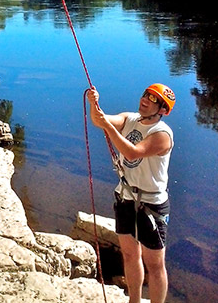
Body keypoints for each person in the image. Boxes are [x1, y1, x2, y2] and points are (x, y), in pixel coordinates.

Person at [87, 83, 176, 303]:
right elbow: (99, 120)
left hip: (151, 205)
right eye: (146, 95)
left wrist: (109, 126)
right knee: (129, 254)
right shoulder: (130, 118)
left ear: (163, 110)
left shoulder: (162, 134)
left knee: (155, 264)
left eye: (153, 99)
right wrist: (93, 102)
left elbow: (132, 152)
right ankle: (133, 300)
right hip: (126, 197)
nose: (145, 99)